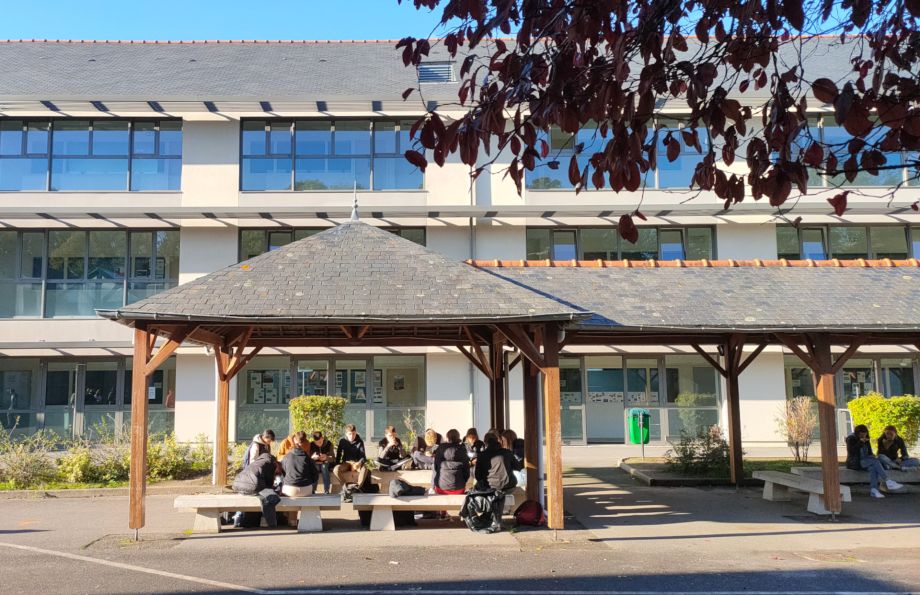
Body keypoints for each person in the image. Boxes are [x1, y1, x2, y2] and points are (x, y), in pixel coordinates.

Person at [473, 431, 518, 532]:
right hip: (508, 486)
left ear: (485, 442)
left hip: (490, 486)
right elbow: (517, 467)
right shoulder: (507, 452)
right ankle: (496, 520)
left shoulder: (482, 455)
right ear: (498, 441)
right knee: (499, 492)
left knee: (482, 488)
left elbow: (478, 476)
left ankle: (491, 518)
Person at [846, 424, 904, 498]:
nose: (863, 436)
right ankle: (888, 481)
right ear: (857, 433)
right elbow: (851, 451)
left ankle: (874, 490)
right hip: (854, 463)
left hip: (865, 462)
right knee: (875, 462)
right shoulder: (851, 438)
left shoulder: (866, 439)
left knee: (873, 468)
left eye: (865, 434)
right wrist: (860, 442)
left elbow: (869, 452)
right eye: (861, 435)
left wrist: (872, 456)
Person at [231, 451, 281, 527]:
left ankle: (239, 518)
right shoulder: (270, 463)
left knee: (265, 495)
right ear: (276, 463)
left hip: (238, 486)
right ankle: (271, 523)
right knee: (272, 498)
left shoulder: (257, 462)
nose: (276, 473)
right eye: (277, 471)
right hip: (252, 486)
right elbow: (268, 484)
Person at [431, 428, 470, 494]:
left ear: (447, 437)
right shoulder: (462, 449)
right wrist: (462, 482)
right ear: (458, 438)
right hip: (458, 489)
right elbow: (466, 471)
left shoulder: (440, 448)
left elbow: (436, 467)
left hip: (441, 488)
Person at [280, 431, 317, 497]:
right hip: (306, 489)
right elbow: (315, 475)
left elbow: (283, 472)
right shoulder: (307, 457)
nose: (301, 444)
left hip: (290, 489)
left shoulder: (287, 457)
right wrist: (308, 482)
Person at [333, 424, 369, 488]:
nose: (352, 436)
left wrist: (359, 463)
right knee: (336, 469)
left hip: (356, 463)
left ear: (356, 433)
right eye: (350, 434)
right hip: (346, 463)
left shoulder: (360, 441)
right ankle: (345, 487)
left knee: (365, 469)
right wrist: (337, 464)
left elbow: (363, 457)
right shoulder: (342, 441)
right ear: (346, 434)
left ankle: (357, 487)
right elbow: (338, 454)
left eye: (353, 434)